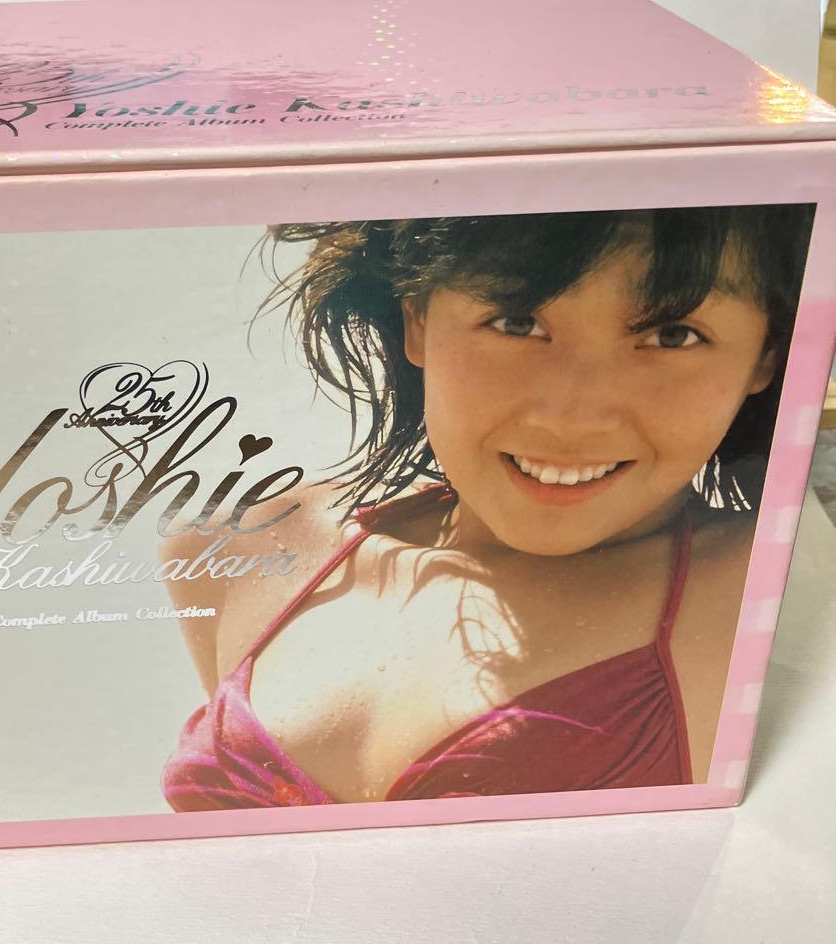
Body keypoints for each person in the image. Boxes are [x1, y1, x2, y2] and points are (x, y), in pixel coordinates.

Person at [161, 205, 812, 809]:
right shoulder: (233, 549)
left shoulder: (779, 599)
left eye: (673, 334)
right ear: (417, 318)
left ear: (768, 354)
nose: (570, 417)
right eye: (517, 321)